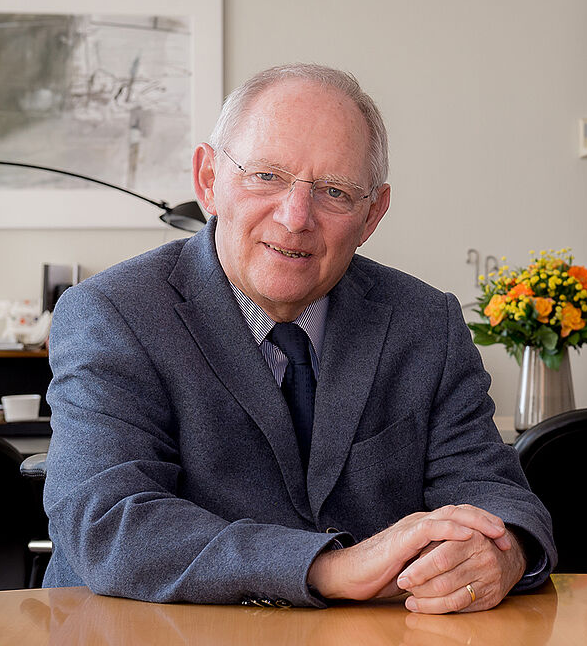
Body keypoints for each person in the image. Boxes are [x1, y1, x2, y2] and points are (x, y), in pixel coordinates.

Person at [43, 64, 556, 612]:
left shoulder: (425, 322)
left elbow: (496, 494)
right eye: (266, 176)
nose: (295, 218)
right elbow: (109, 520)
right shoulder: (113, 312)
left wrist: (500, 553)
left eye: (334, 192)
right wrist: (328, 567)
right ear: (208, 179)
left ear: (372, 214)